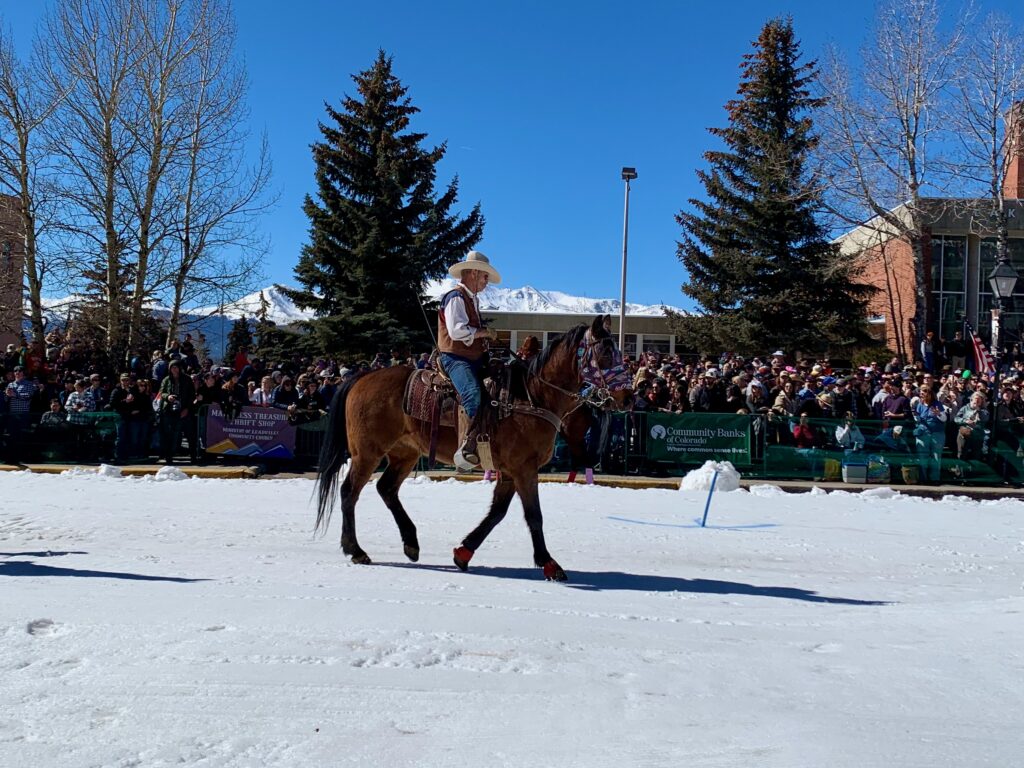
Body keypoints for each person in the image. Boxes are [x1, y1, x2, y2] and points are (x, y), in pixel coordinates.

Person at [437, 250, 501, 471]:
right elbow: (456, 332)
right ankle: (466, 446)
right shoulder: (455, 298)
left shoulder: (472, 300)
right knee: (472, 393)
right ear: (474, 273)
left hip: (472, 358)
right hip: (454, 358)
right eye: (485, 277)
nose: (486, 283)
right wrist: (484, 333)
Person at [158, 358, 195, 464]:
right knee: (169, 435)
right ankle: (169, 457)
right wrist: (168, 396)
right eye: (172, 367)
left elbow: (191, 395)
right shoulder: (166, 379)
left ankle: (193, 456)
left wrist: (187, 408)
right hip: (169, 410)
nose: (174, 369)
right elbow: (162, 392)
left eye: (176, 367)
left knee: (190, 434)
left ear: (179, 368)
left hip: (184, 409)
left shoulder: (187, 379)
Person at [913, 387, 947, 482]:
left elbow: (944, 419)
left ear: (930, 394)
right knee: (922, 456)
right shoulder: (919, 405)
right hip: (923, 433)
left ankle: (934, 479)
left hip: (937, 434)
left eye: (924, 393)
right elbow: (917, 418)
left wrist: (938, 414)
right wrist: (917, 418)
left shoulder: (937, 404)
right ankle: (923, 478)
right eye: (921, 393)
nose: (922, 395)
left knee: (936, 457)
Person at [954, 391, 989, 461]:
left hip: (977, 436)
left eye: (979, 400)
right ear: (971, 399)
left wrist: (978, 410)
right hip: (964, 434)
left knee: (976, 457)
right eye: (975, 399)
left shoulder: (984, 411)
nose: (977, 401)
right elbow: (956, 419)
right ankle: (959, 470)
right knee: (961, 455)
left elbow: (985, 419)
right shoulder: (965, 408)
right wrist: (965, 421)